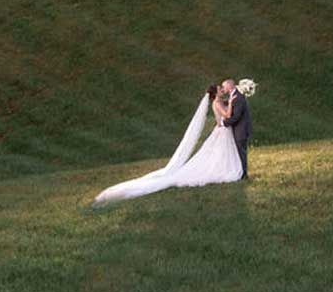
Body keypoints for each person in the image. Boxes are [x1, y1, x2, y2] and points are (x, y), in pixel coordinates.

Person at [92, 84, 242, 205]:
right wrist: (231, 102)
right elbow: (228, 115)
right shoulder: (217, 102)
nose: (222, 90)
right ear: (215, 94)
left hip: (222, 130)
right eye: (220, 89)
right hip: (222, 130)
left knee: (217, 154)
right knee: (218, 154)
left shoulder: (217, 101)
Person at [220, 78, 251, 179]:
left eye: (224, 86)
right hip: (238, 129)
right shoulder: (233, 96)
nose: (223, 89)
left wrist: (224, 123)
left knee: (241, 152)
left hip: (241, 130)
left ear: (229, 86)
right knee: (238, 152)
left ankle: (243, 174)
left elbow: (236, 116)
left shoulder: (238, 97)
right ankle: (240, 172)